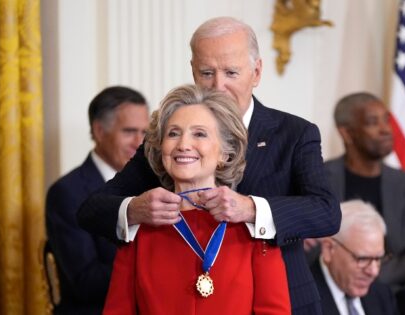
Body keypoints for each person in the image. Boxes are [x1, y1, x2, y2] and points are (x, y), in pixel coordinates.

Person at [78, 17, 341, 314]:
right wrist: (135, 209)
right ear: (193, 71)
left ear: (256, 72)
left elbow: (327, 212)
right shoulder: (168, 139)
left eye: (231, 72)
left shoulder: (295, 133)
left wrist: (251, 209)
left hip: (287, 302)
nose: (219, 85)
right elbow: (91, 209)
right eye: (206, 73)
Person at [103, 84, 291, 314]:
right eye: (173, 133)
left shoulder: (256, 228)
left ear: (225, 152)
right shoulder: (137, 229)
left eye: (199, 134)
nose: (183, 145)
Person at [46, 86, 149, 314]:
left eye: (145, 132)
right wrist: (153, 264)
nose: (139, 142)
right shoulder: (67, 192)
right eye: (129, 131)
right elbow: (86, 282)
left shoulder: (154, 186)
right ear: (100, 131)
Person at [305, 92, 405, 291]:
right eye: (373, 122)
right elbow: (308, 248)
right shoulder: (317, 180)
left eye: (386, 120)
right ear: (347, 133)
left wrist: (369, 275)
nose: (386, 130)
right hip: (326, 293)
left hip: (396, 297)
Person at [310, 200, 398, 315]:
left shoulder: (382, 295)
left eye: (378, 259)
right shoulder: (299, 300)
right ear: (329, 249)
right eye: (362, 259)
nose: (373, 271)